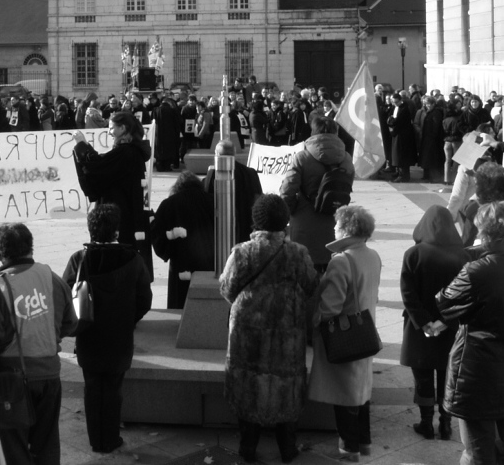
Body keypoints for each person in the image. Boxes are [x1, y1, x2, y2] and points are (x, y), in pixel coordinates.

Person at [219, 194, 318, 463]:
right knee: (286, 389)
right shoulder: (298, 253)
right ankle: (287, 448)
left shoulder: (242, 252)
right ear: (285, 221)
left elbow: (227, 288)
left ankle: (247, 448)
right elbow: (311, 286)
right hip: (288, 335)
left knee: (248, 388)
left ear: (256, 221)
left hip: (247, 337)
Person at [0, 223, 77, 465]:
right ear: (30, 247)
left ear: (0, 253)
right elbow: (70, 323)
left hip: (9, 382)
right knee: (46, 446)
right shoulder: (51, 278)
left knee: (11, 450)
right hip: (49, 376)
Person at [437, 201, 504, 465]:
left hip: (477, 371)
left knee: (476, 450)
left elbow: (444, 303)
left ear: (486, 235)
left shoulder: (476, 271)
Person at [61, 204, 152, 454]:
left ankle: (96, 440)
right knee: (113, 389)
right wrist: (128, 319)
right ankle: (110, 438)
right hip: (119, 337)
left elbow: (64, 296)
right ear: (117, 230)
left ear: (90, 229)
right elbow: (145, 300)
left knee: (92, 388)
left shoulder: (80, 259)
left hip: (88, 335)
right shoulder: (133, 259)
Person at [308, 205, 382, 462]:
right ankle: (364, 444)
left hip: (344, 337)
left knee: (345, 397)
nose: (334, 228)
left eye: (337, 225)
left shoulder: (341, 261)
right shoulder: (373, 256)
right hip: (365, 334)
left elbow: (331, 307)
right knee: (361, 394)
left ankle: (348, 450)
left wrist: (315, 320)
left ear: (346, 229)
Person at [399, 205, 468, 441]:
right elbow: (466, 296)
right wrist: (444, 321)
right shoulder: (463, 256)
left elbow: (408, 294)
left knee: (423, 375)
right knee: (448, 373)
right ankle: (446, 424)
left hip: (419, 329)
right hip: (451, 328)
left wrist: (425, 322)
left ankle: (426, 423)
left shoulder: (413, 254)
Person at [72, 112, 154, 277]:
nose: (109, 132)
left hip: (121, 219)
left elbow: (97, 167)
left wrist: (82, 145)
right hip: (128, 215)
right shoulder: (131, 152)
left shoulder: (126, 152)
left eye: (111, 128)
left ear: (123, 128)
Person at [279, 117, 355, 271]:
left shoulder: (302, 157)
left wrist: (292, 210)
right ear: (336, 132)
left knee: (303, 272)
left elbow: (287, 190)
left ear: (313, 132)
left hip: (304, 222)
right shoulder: (346, 158)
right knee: (331, 274)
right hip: (335, 222)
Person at [151, 171, 214, 308]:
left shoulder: (169, 204)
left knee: (181, 304)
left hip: (181, 263)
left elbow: (158, 238)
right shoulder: (213, 201)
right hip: (209, 262)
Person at [387, 92, 418, 183]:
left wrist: (392, 124)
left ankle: (403, 175)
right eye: (393, 102)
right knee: (397, 155)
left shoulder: (404, 109)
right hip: (398, 134)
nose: (394, 104)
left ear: (400, 100)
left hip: (403, 136)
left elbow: (399, 122)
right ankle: (398, 171)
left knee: (402, 156)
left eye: (396, 102)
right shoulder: (396, 107)